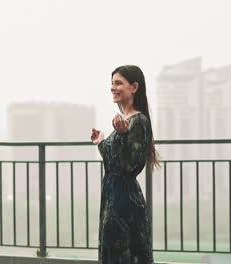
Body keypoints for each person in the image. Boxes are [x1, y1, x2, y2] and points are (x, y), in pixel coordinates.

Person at [91, 65, 161, 264]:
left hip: (125, 202)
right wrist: (102, 142)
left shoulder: (138, 121)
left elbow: (129, 165)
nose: (113, 87)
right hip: (113, 196)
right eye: (112, 83)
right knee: (113, 253)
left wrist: (121, 136)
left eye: (118, 83)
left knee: (124, 254)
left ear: (134, 87)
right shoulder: (125, 121)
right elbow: (114, 163)